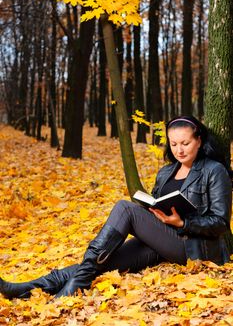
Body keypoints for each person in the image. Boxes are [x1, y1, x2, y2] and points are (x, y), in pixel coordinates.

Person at [0, 115, 232, 299]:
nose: (179, 150)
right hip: (161, 240)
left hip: (192, 247)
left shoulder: (214, 170)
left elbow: (220, 223)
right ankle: (26, 289)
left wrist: (183, 222)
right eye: (173, 144)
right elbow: (157, 204)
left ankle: (75, 285)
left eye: (185, 143)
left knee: (125, 208)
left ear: (199, 141)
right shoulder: (166, 172)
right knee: (101, 263)